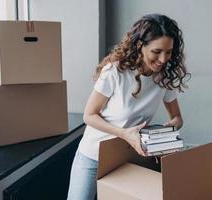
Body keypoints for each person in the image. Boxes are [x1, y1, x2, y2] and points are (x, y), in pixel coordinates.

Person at [67, 13, 190, 200]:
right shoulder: (115, 72)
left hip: (129, 157)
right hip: (93, 155)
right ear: (141, 46)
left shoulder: (164, 77)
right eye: (157, 52)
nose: (164, 59)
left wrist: (163, 135)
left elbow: (177, 119)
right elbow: (89, 116)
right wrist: (124, 133)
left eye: (169, 52)